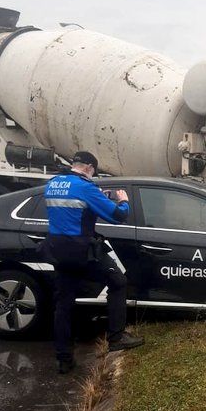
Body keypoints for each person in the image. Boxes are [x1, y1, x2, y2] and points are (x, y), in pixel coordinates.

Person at [44, 150, 143, 373]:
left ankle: (63, 359)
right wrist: (124, 201)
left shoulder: (53, 183)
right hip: (82, 252)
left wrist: (98, 196)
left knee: (63, 305)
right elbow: (118, 216)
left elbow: (73, 207)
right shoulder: (85, 187)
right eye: (93, 171)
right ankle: (116, 337)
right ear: (89, 167)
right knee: (117, 281)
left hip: (58, 252)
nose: (93, 175)